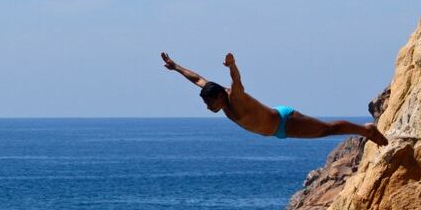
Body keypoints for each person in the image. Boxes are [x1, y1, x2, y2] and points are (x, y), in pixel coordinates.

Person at [160, 51, 388, 145]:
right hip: (274, 130)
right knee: (324, 132)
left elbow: (237, 81)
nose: (208, 107)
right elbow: (197, 79)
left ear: (220, 96)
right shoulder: (213, 91)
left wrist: (232, 65)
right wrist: (175, 67)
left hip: (284, 121)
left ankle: (366, 129)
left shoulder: (235, 97)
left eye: (210, 102)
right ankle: (365, 130)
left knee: (326, 130)